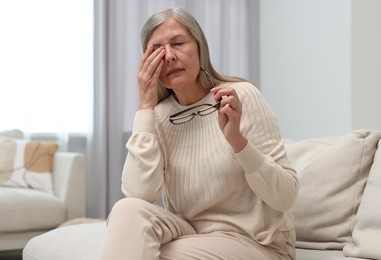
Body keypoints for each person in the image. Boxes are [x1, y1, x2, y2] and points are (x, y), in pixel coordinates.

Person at [101, 7, 299, 260]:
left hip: (258, 243)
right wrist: (145, 107)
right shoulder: (158, 117)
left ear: (200, 48)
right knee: (126, 210)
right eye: (157, 50)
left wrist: (238, 142)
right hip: (192, 235)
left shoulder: (242, 96)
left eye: (178, 43)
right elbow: (140, 194)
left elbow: (286, 196)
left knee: (141, 250)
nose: (169, 56)